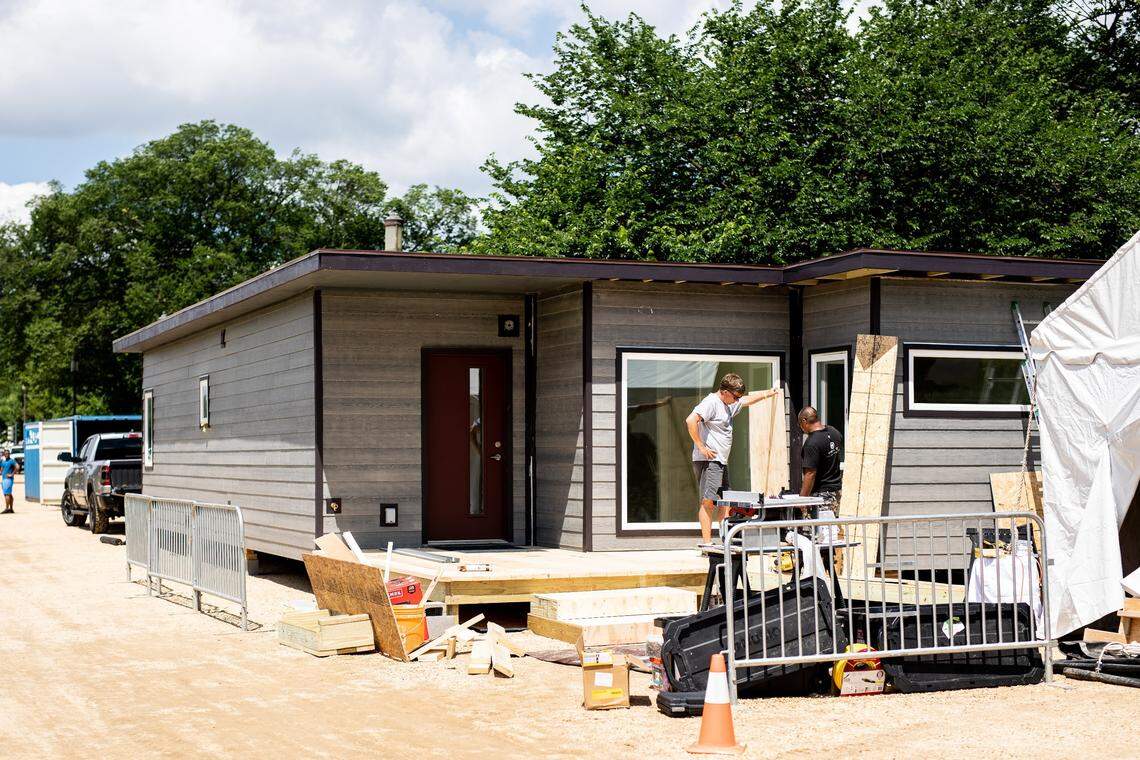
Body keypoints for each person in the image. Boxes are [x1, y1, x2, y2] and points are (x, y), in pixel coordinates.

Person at [686, 374, 779, 544]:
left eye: (738, 397)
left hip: (720, 461)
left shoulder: (730, 404)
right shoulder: (711, 402)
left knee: (725, 501)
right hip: (709, 461)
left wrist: (768, 394)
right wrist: (700, 446)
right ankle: (707, 544)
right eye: (735, 396)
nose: (737, 400)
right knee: (708, 502)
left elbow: (747, 400)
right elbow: (691, 420)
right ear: (725, 392)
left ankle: (724, 541)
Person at [797, 406, 843, 512]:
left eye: (800, 425)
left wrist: (801, 500)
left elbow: (810, 474)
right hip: (837, 492)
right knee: (834, 526)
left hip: (822, 496)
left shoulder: (811, 443)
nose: (802, 428)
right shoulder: (834, 431)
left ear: (804, 421)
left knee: (822, 528)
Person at [0, 449, 16, 514]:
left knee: (7, 494)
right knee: (9, 494)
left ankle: (7, 509)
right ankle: (11, 509)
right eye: (5, 453)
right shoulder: (3, 462)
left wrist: (11, 474)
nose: (7, 454)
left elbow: (17, 467)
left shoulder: (11, 461)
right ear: (4, 454)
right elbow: (1, 469)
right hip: (4, 479)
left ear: (9, 454)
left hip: (8, 480)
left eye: (8, 453)